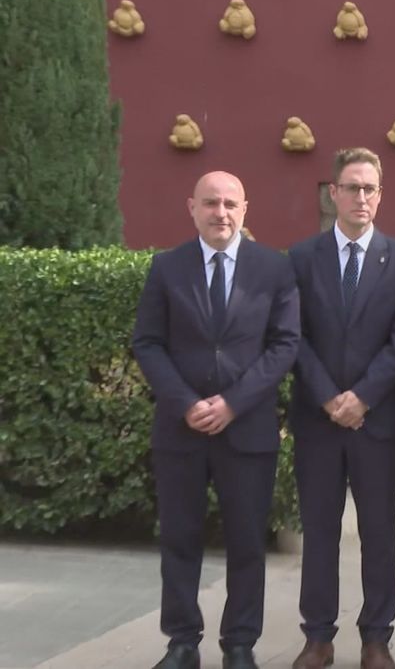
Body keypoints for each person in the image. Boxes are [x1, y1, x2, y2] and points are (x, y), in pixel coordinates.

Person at [131, 171, 300, 669]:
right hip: (180, 430)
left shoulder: (273, 268)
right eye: (210, 203)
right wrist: (186, 402)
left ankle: (240, 643)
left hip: (247, 430)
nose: (220, 213)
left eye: (229, 203)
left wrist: (232, 403)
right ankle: (182, 642)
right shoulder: (167, 268)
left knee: (248, 541)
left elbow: (284, 345)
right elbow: (148, 342)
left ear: (245, 208)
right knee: (180, 539)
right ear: (192, 208)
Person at [287, 148, 395, 669]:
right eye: (352, 187)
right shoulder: (301, 258)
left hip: (379, 420)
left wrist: (362, 397)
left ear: (380, 195)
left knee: (378, 532)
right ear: (334, 194)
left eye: (370, 188)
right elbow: (294, 336)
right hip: (317, 421)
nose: (361, 197)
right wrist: (329, 398)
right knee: (319, 532)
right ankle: (318, 637)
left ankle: (376, 638)